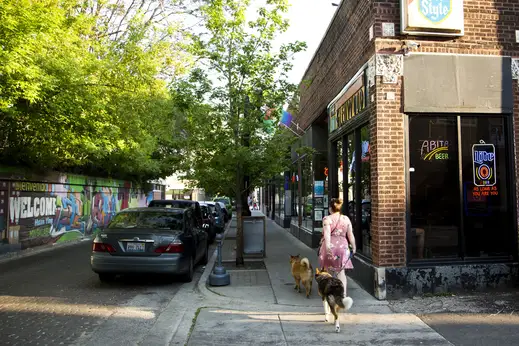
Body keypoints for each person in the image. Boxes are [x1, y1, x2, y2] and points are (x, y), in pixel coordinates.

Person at [318, 198, 356, 296]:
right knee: (341, 273)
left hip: (330, 247)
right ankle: (343, 295)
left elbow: (326, 234)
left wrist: (328, 247)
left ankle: (330, 294)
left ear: (330, 208)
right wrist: (354, 246)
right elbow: (350, 234)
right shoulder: (346, 219)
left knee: (329, 272)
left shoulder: (327, 219)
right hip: (343, 247)